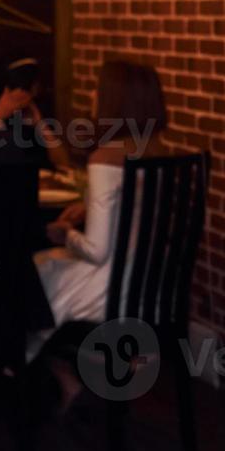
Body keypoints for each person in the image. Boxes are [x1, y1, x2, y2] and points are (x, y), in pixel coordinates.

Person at [30, 59, 172, 364]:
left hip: (111, 290)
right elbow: (138, 213)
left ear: (115, 100)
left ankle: (32, 381)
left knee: (34, 274)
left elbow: (96, 251)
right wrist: (86, 207)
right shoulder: (159, 152)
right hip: (152, 286)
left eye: (98, 90)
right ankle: (76, 375)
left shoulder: (106, 159)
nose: (94, 96)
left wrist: (65, 233)